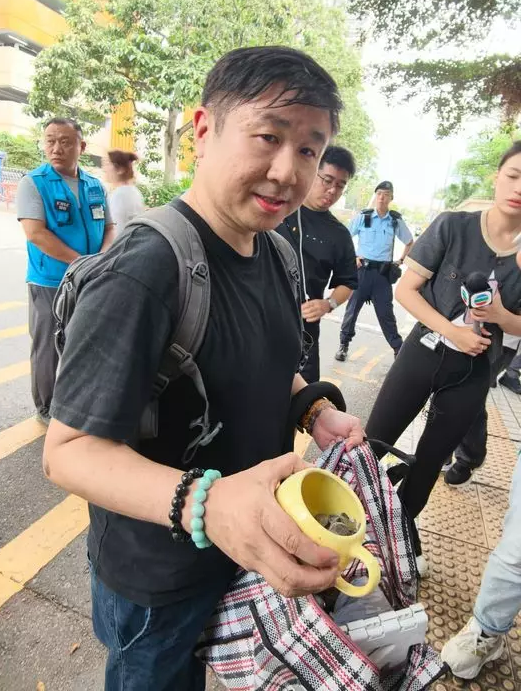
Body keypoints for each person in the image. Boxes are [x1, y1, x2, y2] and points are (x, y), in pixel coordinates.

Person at [42, 46, 365, 691]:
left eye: (309, 149)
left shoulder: (275, 252)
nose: (287, 171)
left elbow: (264, 363)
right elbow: (68, 452)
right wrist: (208, 503)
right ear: (203, 130)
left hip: (239, 552)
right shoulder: (145, 270)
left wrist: (313, 408)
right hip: (157, 581)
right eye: (268, 136)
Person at [365, 141, 521, 572]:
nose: (519, 188)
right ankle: (345, 514)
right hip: (423, 352)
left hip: (474, 370)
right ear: (497, 176)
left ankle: (400, 534)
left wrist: (502, 316)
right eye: (514, 176)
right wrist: (452, 330)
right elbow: (406, 290)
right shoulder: (453, 226)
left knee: (430, 459)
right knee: (374, 441)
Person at [440, 237, 521, 681]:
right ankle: (488, 630)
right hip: (463, 343)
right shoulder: (465, 235)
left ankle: (470, 453)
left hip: (495, 347)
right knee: (518, 546)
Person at [16, 118, 115, 425]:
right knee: (47, 347)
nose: (56, 148)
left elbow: (109, 228)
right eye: (50, 140)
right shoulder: (34, 183)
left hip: (90, 280)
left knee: (84, 342)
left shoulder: (94, 185)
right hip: (50, 282)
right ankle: (46, 407)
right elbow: (35, 233)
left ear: (81, 147)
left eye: (65, 141)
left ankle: (77, 401)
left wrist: (101, 259)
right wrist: (82, 263)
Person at [276, 145, 358, 383]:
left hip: (304, 331)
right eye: (327, 180)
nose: (332, 190)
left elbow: (348, 282)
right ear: (313, 172)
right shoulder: (278, 208)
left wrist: (328, 304)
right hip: (258, 318)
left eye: (340, 185)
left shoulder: (339, 234)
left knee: (304, 396)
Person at [335, 181, 413, 361]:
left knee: (386, 314)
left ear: (391, 198)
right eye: (379, 193)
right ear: (375, 196)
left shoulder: (395, 221)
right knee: (352, 311)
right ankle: (343, 345)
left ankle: (398, 349)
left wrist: (400, 261)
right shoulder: (364, 217)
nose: (382, 197)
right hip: (362, 271)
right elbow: (344, 236)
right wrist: (354, 257)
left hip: (382, 276)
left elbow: (410, 242)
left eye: (386, 194)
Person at [445, 334, 521, 487]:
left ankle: (469, 457)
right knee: (446, 389)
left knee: (470, 396)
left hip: (502, 341)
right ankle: (442, 450)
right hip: (456, 332)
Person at [103, 149, 145, 234]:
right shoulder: (134, 192)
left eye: (107, 164)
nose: (104, 169)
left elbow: (116, 230)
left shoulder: (120, 195)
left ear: (120, 170)